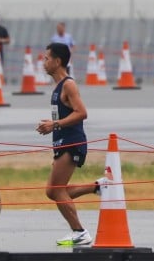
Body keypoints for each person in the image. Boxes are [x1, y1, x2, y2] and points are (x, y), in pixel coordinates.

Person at [36, 42, 104, 247]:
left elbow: (82, 112)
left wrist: (54, 124)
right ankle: (98, 187)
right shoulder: (58, 87)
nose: (43, 62)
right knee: (54, 191)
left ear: (57, 61)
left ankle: (79, 231)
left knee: (56, 190)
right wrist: (51, 126)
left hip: (71, 142)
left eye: (47, 58)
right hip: (61, 142)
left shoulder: (68, 84)